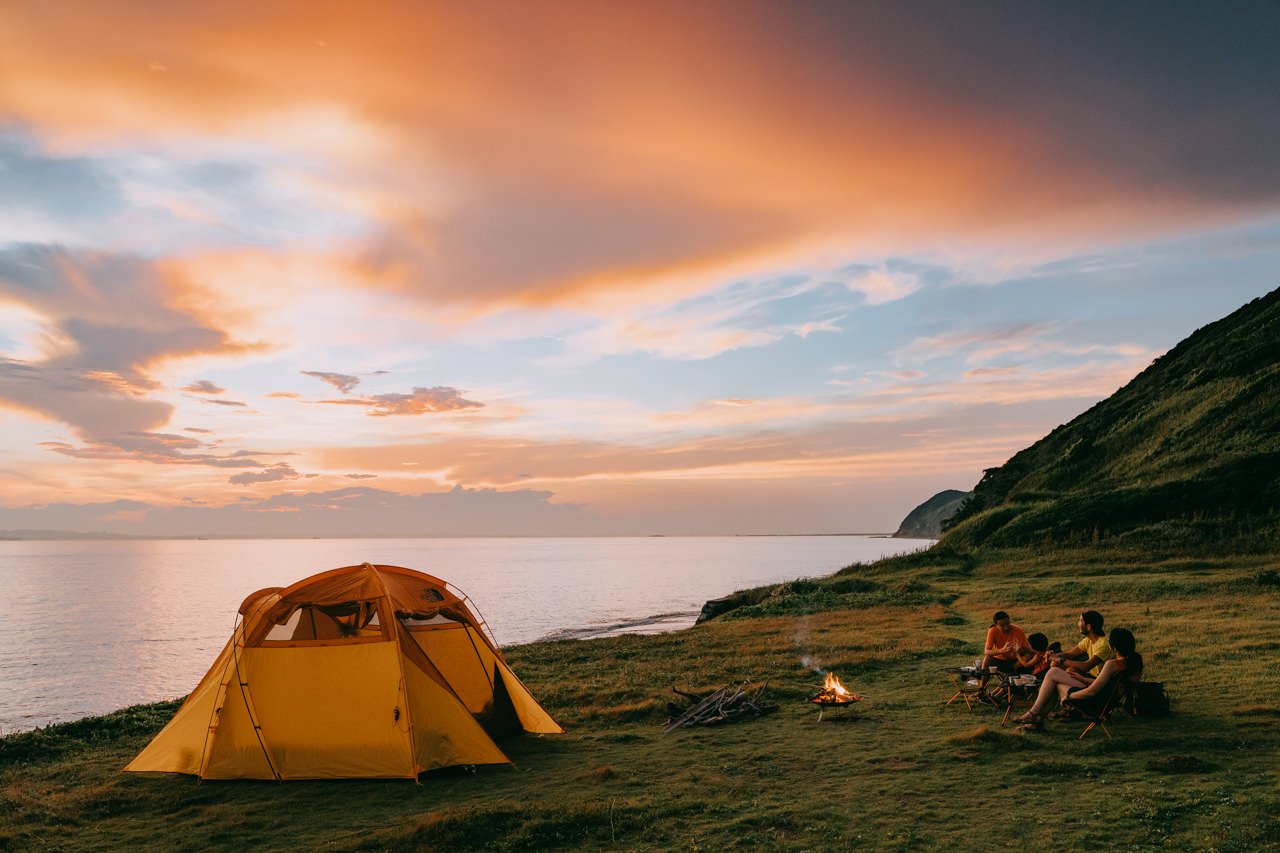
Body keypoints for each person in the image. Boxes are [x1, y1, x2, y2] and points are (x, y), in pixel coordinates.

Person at [1015, 627, 1142, 730]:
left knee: (1054, 675)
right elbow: (1110, 685)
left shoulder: (1112, 664)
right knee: (1056, 676)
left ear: (1114, 647)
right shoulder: (1134, 662)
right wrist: (1083, 679)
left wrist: (1069, 697)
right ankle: (1037, 719)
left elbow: (1091, 692)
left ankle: (1034, 715)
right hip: (1105, 703)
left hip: (1093, 705)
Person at [1052, 610, 1110, 677]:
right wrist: (1054, 656)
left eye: (1081, 621)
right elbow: (1070, 654)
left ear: (1088, 627)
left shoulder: (1103, 644)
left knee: (1071, 671)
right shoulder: (1088, 640)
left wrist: (1059, 659)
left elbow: (1086, 666)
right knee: (1057, 665)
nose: (1078, 624)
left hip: (1101, 680)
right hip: (1094, 677)